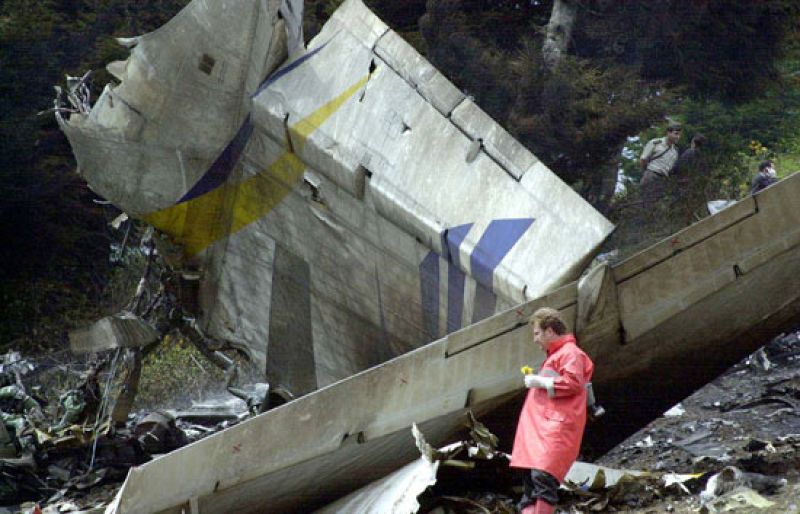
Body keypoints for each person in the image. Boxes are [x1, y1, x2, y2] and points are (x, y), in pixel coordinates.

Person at [510, 308, 595, 514]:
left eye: (537, 333)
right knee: (532, 482)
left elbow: (574, 383)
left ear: (550, 331)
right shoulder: (559, 355)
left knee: (542, 479)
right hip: (543, 432)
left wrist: (542, 381)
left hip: (553, 431)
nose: (535, 339)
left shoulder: (571, 353)